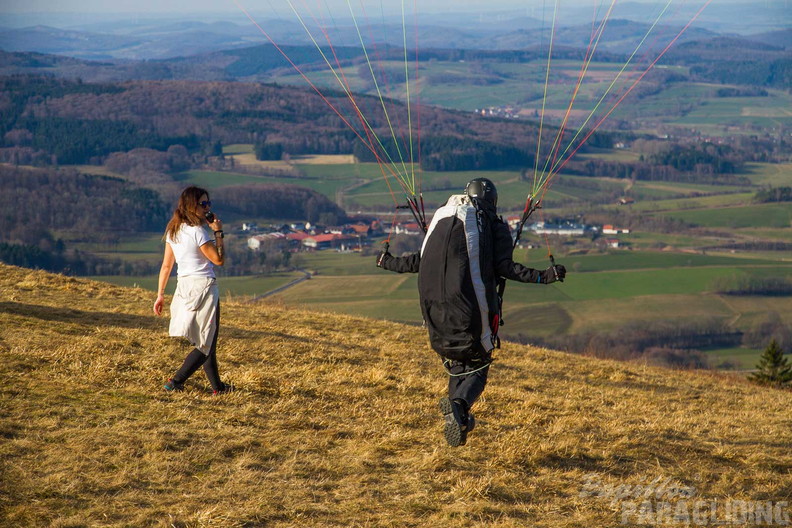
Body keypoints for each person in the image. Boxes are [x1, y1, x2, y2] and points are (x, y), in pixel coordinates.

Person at [376, 178, 566, 447]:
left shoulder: (444, 221)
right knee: (478, 365)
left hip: (435, 316)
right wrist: (545, 276)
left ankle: (459, 420)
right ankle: (459, 406)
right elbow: (505, 268)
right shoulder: (492, 225)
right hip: (469, 312)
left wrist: (387, 261)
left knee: (457, 365)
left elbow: (419, 261)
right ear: (492, 200)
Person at [154, 186, 233, 395]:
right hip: (204, 288)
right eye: (203, 204)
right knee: (206, 342)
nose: (207, 208)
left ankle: (218, 388)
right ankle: (176, 381)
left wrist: (160, 294)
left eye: (209, 203)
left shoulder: (174, 230)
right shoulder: (199, 232)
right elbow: (219, 259)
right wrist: (218, 232)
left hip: (184, 287)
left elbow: (166, 266)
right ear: (192, 206)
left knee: (207, 340)